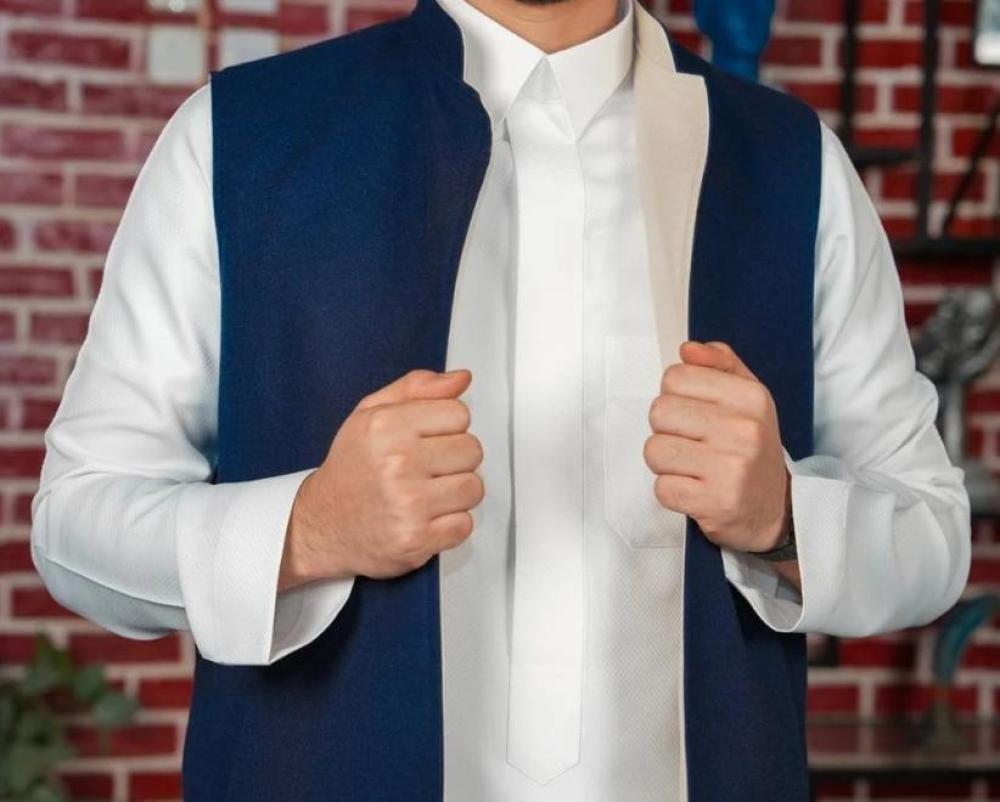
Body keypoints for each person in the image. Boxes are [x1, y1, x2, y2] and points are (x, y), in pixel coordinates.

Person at [29, 0, 971, 798]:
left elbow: (932, 537)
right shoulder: (236, 138)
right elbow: (77, 525)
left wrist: (784, 519)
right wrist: (309, 529)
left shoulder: (793, 165)